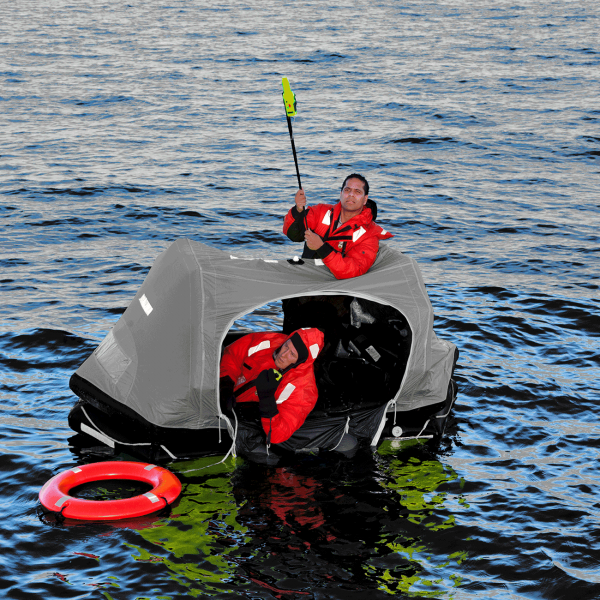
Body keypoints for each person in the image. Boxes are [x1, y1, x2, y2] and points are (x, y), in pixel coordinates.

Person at [219, 328, 324, 445]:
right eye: (286, 346)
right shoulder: (269, 341)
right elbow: (233, 354)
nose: (283, 355)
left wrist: (267, 399)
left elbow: (278, 435)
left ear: (300, 361)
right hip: (222, 396)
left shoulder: (304, 390)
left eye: (292, 354)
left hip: (243, 422)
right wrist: (226, 383)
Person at [283, 173, 393, 279]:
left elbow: (354, 270)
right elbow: (294, 235)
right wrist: (298, 210)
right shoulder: (320, 211)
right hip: (307, 277)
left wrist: (321, 248)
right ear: (341, 194)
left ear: (365, 199)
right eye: (347, 190)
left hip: (337, 288)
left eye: (357, 191)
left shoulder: (369, 235)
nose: (351, 194)